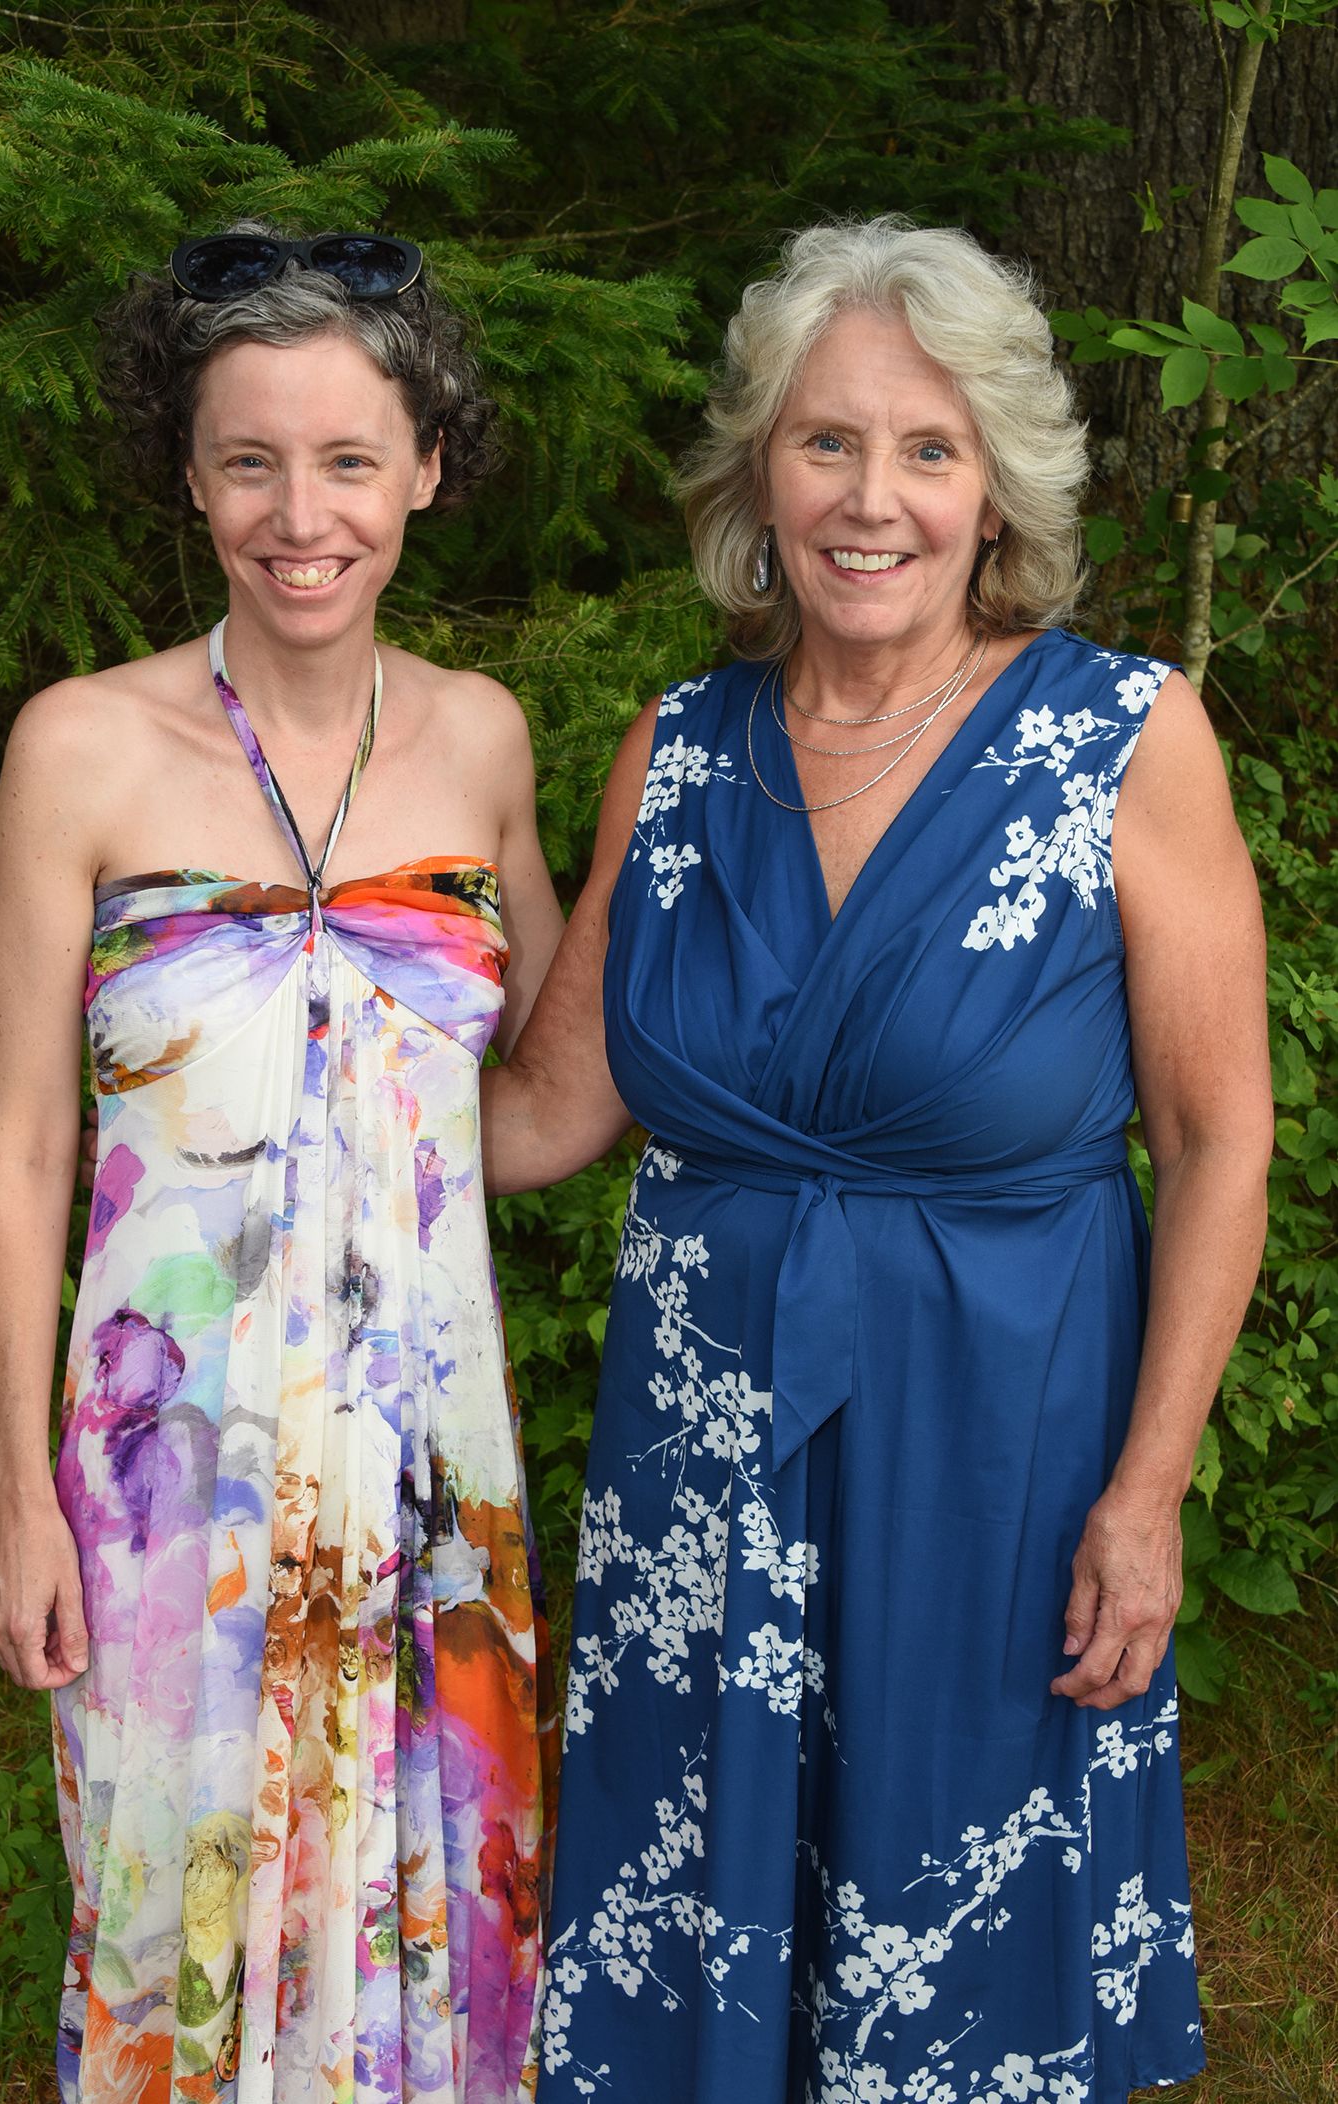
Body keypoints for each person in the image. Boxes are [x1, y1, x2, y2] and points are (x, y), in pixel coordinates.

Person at [483, 217, 1272, 2103]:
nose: (872, 500)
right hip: (708, 1455)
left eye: (927, 450)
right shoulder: (676, 752)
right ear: (761, 467)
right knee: (703, 1938)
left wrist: (1148, 1489)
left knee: (958, 1938)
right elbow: (542, 1114)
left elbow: (1220, 1136)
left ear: (996, 487)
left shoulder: (1123, 736)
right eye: (827, 442)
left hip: (998, 1455)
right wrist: (273, 1055)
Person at [0, 227, 564, 2104]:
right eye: (250, 460)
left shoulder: (481, 742)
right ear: (190, 474)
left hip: (426, 1469)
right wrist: (16, 1494)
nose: (300, 514)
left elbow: (547, 1106)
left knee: (437, 1909)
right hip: (165, 1473)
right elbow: (24, 1146)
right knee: (163, 1912)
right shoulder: (79, 749)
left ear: (427, 468)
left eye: (346, 460)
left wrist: (711, 844)